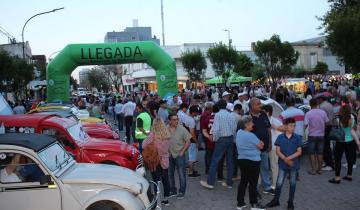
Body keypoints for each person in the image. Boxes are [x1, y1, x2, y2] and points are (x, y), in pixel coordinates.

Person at [266, 118, 303, 210]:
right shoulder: (280, 137)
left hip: (293, 164)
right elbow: (278, 151)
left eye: (294, 126)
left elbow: (299, 152)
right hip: (282, 164)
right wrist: (285, 160)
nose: (293, 128)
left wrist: (288, 158)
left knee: (293, 183)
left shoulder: (297, 137)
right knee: (279, 183)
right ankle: (276, 200)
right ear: (286, 126)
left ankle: (290, 202)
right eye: (291, 125)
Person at [200, 99, 235, 189]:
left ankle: (210, 182)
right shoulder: (231, 115)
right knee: (230, 161)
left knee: (215, 160)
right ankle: (229, 182)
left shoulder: (218, 115)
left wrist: (214, 138)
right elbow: (234, 128)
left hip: (221, 139)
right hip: (230, 138)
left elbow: (215, 129)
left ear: (218, 106)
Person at [236, 115, 265, 210]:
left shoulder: (239, 132)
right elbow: (261, 146)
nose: (253, 124)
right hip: (253, 161)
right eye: (251, 123)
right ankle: (254, 204)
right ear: (246, 125)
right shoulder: (251, 135)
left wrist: (258, 144)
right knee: (253, 183)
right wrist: (260, 143)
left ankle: (240, 203)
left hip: (242, 160)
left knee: (243, 181)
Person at [142, 118, 171, 206]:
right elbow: (168, 148)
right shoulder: (167, 135)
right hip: (165, 160)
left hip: (154, 161)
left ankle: (156, 200)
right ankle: (166, 199)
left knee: (156, 180)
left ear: (153, 125)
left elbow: (143, 145)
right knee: (165, 180)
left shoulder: (152, 135)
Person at [329, 105, 360, 184]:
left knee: (338, 159)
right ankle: (349, 175)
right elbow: (353, 130)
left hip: (340, 141)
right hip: (350, 141)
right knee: (350, 159)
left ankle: (337, 178)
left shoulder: (338, 118)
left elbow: (333, 126)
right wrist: (358, 142)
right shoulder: (352, 118)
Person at [248, 97, 273, 195]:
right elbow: (245, 134)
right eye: (258, 104)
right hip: (253, 149)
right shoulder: (247, 117)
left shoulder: (263, 114)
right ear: (252, 106)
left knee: (265, 168)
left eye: (260, 104)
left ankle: (267, 186)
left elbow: (268, 129)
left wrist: (270, 142)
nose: (260, 105)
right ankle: (254, 189)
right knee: (253, 170)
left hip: (265, 147)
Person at [167, 113, 191, 199]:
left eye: (177, 119)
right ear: (169, 121)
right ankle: (172, 190)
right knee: (170, 174)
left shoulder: (182, 129)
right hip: (169, 155)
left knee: (181, 174)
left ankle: (182, 192)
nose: (176, 121)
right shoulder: (165, 129)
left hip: (179, 155)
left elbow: (188, 141)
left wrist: (182, 151)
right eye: (174, 119)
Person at [304, 98, 329, 175]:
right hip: (321, 135)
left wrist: (302, 132)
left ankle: (313, 170)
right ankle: (320, 169)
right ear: (317, 104)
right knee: (320, 153)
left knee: (312, 153)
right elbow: (327, 123)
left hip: (312, 135)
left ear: (310, 105)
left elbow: (305, 125)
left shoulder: (308, 113)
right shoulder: (323, 112)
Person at [262, 104, 283, 190]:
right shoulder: (264, 120)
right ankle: (261, 182)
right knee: (263, 166)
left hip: (273, 147)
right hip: (264, 146)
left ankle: (274, 184)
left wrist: (275, 128)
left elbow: (282, 131)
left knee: (274, 166)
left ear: (267, 112)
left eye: (263, 111)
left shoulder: (274, 121)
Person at [178, 103, 200, 177]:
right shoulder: (191, 120)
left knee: (191, 155)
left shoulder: (185, 117)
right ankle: (190, 172)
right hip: (191, 140)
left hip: (186, 138)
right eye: (196, 112)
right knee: (192, 156)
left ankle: (192, 170)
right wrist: (197, 141)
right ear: (193, 112)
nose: (197, 113)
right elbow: (192, 132)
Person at [319, 95, 335, 171]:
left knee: (326, 146)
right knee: (327, 145)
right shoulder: (329, 104)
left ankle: (329, 164)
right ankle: (328, 162)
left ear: (321, 99)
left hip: (326, 126)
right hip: (330, 125)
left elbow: (322, 119)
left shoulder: (322, 106)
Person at [231, 104, 243, 180]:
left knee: (231, 157)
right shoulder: (239, 117)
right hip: (236, 139)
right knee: (236, 158)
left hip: (230, 138)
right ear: (239, 109)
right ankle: (234, 174)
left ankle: (232, 174)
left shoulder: (229, 115)